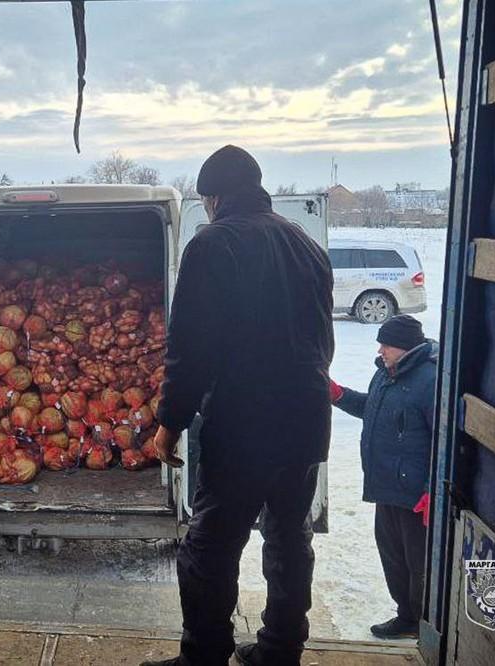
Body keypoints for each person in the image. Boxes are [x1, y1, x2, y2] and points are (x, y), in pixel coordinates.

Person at [145, 145, 335, 666]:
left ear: (213, 197)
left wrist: (169, 423)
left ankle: (203, 656)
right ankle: (279, 650)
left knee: (210, 547)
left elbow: (191, 349)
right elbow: (323, 340)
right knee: (289, 541)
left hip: (246, 423)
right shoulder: (305, 245)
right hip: (304, 421)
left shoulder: (214, 244)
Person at [329, 314, 436, 640]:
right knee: (392, 556)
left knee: (418, 564)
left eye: (386, 344)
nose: (381, 349)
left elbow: (441, 439)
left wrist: (432, 491)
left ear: (405, 347)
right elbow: (370, 408)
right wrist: (338, 395)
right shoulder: (386, 374)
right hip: (386, 485)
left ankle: (424, 623)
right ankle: (406, 616)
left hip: (415, 496)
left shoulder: (429, 380)